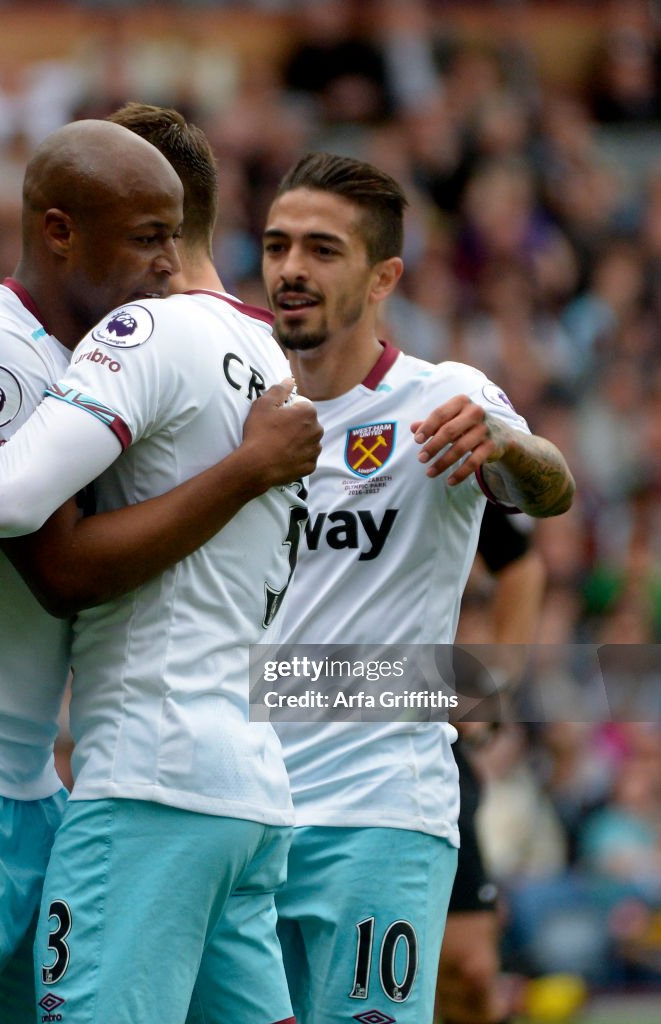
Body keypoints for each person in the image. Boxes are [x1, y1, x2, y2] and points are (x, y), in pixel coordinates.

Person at [0, 117, 321, 1024]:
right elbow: (60, 568)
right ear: (58, 231)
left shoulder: (102, 360)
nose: (167, 263)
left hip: (30, 780)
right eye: (145, 237)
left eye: (174, 234)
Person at [258, 152, 574, 1024]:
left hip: (377, 807)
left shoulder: (440, 400)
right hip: (238, 808)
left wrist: (508, 447)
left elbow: (549, 494)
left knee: (465, 975)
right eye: (277, 245)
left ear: (382, 275)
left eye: (322, 249)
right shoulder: (233, 408)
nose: (291, 268)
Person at [437, 505, 547, 1024]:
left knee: (469, 970)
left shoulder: (425, 435)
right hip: (284, 726)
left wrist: (493, 685)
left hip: (419, 738)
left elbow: (521, 565)